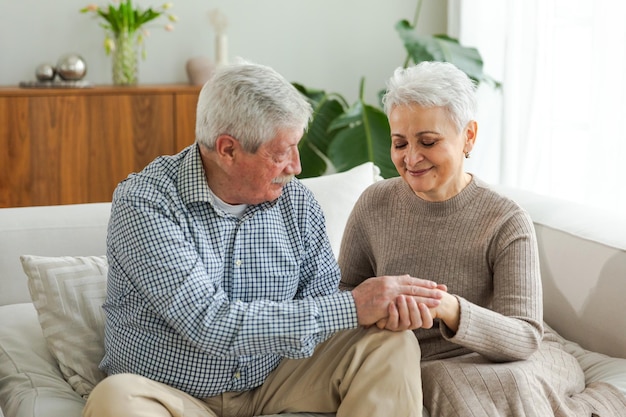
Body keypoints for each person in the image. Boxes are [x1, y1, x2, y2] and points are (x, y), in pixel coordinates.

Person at [82, 60, 445, 417]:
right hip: (172, 393)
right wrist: (352, 305)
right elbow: (208, 322)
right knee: (114, 399)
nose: (297, 167)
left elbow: (319, 305)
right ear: (227, 150)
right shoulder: (146, 202)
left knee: (391, 345)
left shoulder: (296, 202)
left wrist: (379, 314)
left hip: (274, 378)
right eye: (282, 152)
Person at [338, 61, 626, 416]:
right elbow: (342, 292)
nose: (411, 158)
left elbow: (523, 337)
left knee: (494, 383)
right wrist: (377, 309)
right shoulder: (374, 203)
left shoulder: (505, 219)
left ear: (469, 136)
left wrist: (448, 308)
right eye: (399, 143)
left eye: (428, 141)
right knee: (440, 380)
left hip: (513, 357)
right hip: (413, 360)